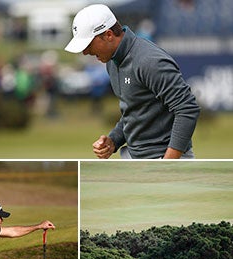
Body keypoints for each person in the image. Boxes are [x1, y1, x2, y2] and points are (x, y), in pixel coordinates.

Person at [64, 4, 200, 159]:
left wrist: (168, 163)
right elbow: (135, 110)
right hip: (133, 157)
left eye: (88, 44)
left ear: (108, 35)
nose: (85, 52)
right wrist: (114, 140)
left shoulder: (149, 61)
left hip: (163, 158)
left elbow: (187, 108)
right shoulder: (112, 62)